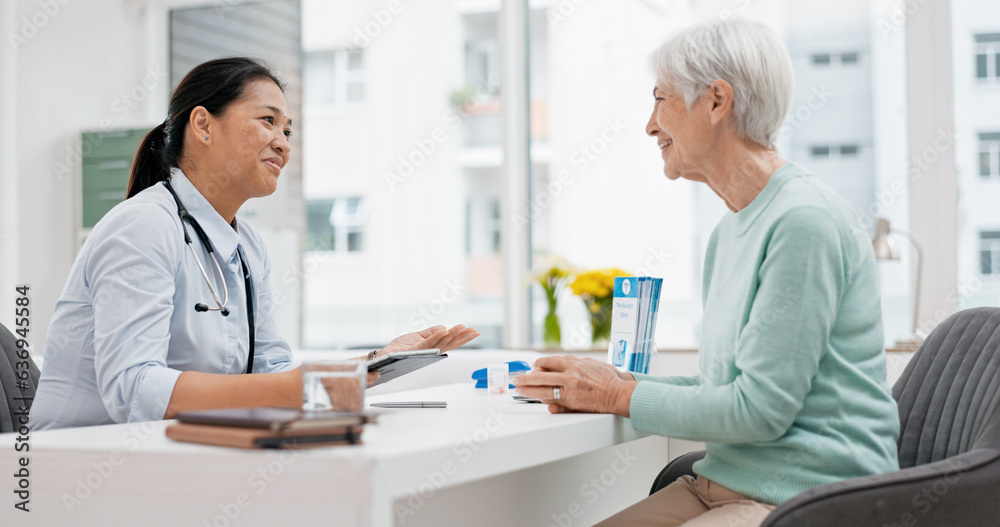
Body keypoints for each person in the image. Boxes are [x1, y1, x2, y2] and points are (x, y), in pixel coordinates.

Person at [514, 19, 899, 527]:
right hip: (721, 486)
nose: (650, 125)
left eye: (660, 99)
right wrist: (618, 379)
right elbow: (725, 386)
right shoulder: (730, 231)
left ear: (717, 101)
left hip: (809, 500)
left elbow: (758, 411)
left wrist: (615, 394)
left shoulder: (804, 222)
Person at [31, 57, 479, 430]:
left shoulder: (248, 247)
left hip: (179, 457)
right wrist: (312, 384)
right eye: (268, 121)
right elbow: (134, 392)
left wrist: (376, 363)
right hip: (79, 465)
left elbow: (270, 373)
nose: (283, 144)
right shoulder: (142, 227)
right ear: (203, 125)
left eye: (288, 131)